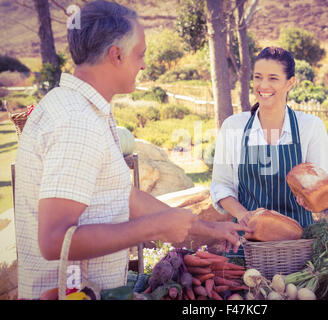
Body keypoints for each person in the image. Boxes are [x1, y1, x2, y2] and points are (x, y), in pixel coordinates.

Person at [14, 0, 251, 300]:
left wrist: (205, 228)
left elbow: (125, 198)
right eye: (140, 54)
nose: (143, 64)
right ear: (116, 55)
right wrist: (151, 228)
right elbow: (53, 241)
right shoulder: (76, 123)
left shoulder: (86, 110)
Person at [210, 46, 328, 258]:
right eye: (258, 77)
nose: (263, 86)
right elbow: (221, 186)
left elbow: (322, 190)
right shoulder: (233, 127)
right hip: (247, 243)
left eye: (273, 78)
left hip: (299, 245)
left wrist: (310, 200)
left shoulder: (310, 127)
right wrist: (243, 215)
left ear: (290, 83)